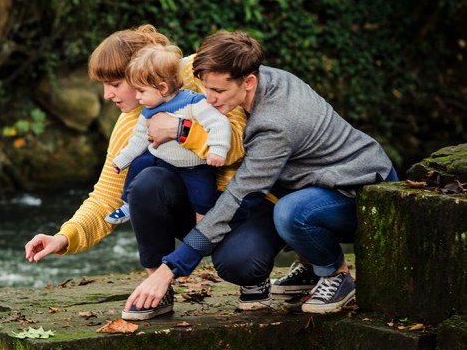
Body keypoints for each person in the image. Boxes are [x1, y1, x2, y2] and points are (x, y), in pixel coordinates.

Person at [122, 29, 398, 321]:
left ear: (249, 82)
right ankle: (308, 269)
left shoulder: (274, 125)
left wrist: (170, 269)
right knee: (252, 238)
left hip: (360, 190)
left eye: (219, 92)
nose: (209, 99)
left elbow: (241, 196)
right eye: (206, 88)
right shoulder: (258, 76)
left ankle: (335, 274)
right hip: (315, 182)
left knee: (291, 212)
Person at [24, 24, 248, 267]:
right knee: (146, 182)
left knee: (241, 263)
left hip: (244, 202)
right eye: (103, 85)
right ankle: (158, 280)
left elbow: (240, 144)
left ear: (140, 72)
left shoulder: (199, 75)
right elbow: (106, 198)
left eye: (115, 84)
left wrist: (179, 129)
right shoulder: (129, 124)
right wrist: (63, 238)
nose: (107, 95)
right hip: (194, 214)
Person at [106, 43, 233, 225]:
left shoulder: (194, 102)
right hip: (163, 160)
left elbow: (219, 123)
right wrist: (122, 160)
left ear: (163, 88)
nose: (138, 97)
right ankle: (128, 204)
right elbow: (139, 138)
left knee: (204, 199)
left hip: (195, 167)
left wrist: (217, 150)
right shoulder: (147, 110)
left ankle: (203, 230)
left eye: (141, 91)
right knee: (139, 163)